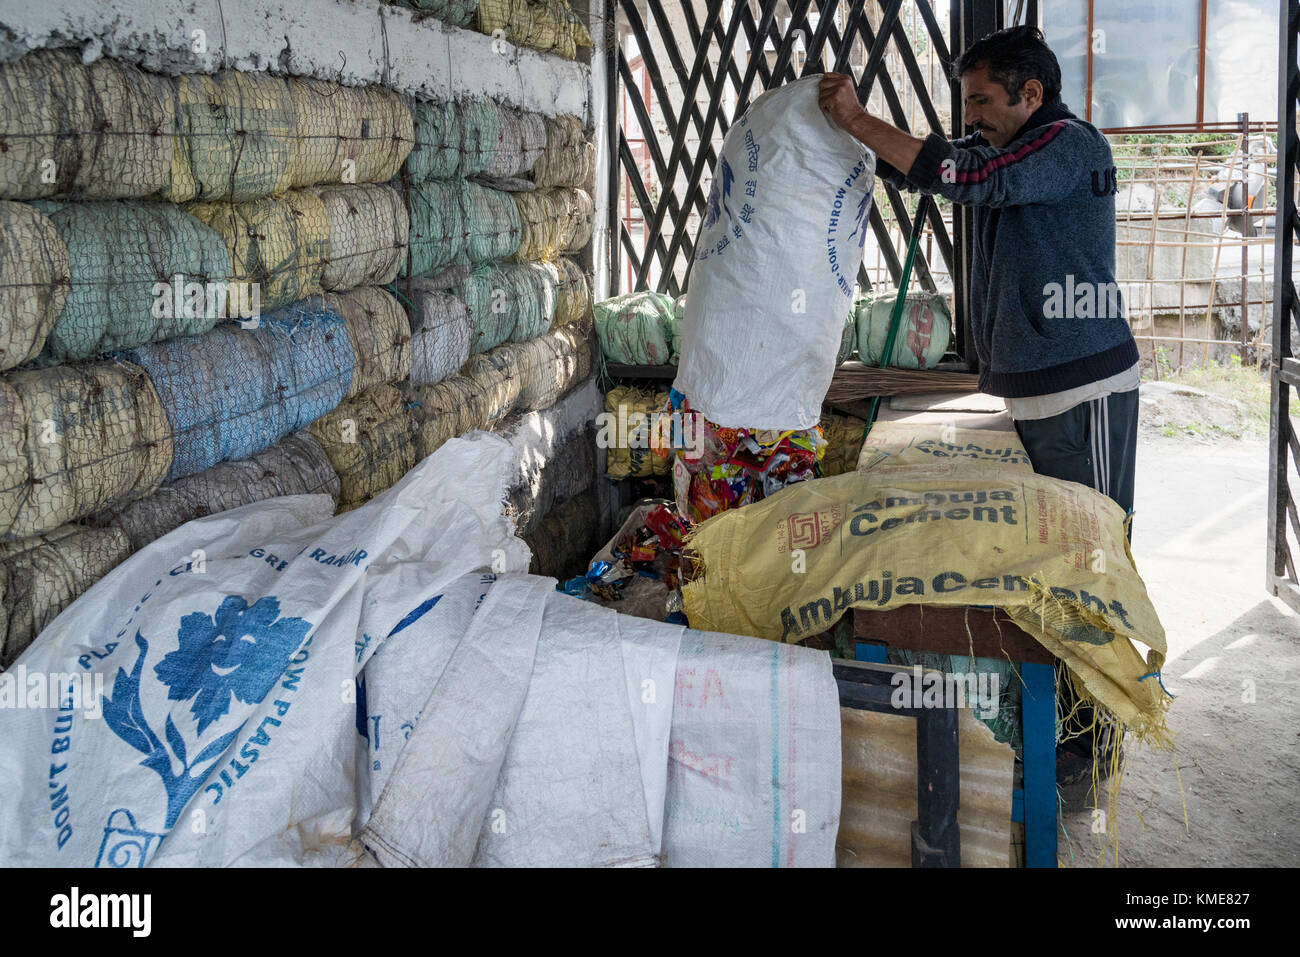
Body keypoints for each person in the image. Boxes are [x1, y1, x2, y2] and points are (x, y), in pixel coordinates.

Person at [818, 25, 1138, 785]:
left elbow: (969, 176)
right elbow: (950, 171)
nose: (973, 116)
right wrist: (858, 146)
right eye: (967, 101)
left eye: (984, 101)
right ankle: (1064, 722)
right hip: (1041, 390)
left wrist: (865, 122)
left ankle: (1096, 741)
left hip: (1084, 388)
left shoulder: (1068, 144)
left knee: (1091, 562)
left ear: (1032, 94)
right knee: (1053, 564)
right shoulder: (1017, 150)